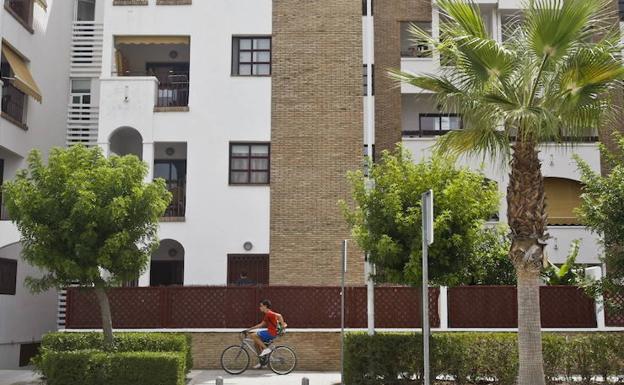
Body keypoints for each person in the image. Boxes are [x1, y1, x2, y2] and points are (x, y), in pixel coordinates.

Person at [246, 299, 287, 368]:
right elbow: (261, 325)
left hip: (271, 333)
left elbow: (279, 315)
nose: (260, 307)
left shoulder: (269, 313)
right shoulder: (267, 315)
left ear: (265, 306)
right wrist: (250, 329)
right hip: (270, 332)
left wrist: (283, 327)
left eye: (261, 306)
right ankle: (262, 362)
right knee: (256, 344)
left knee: (253, 335)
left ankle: (266, 349)